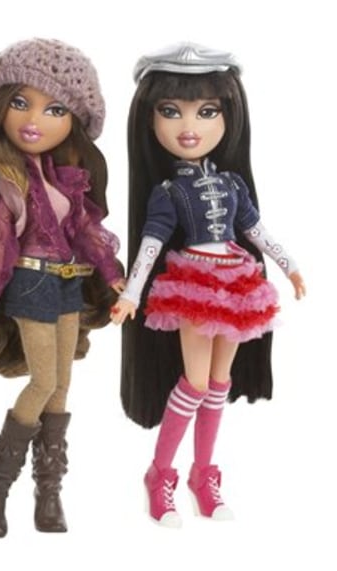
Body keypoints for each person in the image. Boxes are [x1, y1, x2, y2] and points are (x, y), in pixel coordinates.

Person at [110, 42, 306, 528]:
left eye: (207, 111)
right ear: (149, 119)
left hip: (237, 281)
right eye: (171, 111)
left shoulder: (233, 184)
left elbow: (256, 231)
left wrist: (289, 265)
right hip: (193, 283)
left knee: (220, 383)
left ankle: (203, 474)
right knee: (195, 382)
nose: (188, 126)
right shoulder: (168, 191)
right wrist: (131, 293)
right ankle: (160, 474)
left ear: (229, 116)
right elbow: (151, 244)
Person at [0, 38, 124, 537]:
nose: (34, 119)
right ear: (0, 108)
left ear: (74, 122)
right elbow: (0, 243)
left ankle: (49, 493)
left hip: (70, 284)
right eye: (21, 102)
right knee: (43, 381)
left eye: (55, 109)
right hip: (29, 284)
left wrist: (112, 274)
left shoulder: (68, 178)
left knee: (62, 384)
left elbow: (85, 230)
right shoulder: (8, 181)